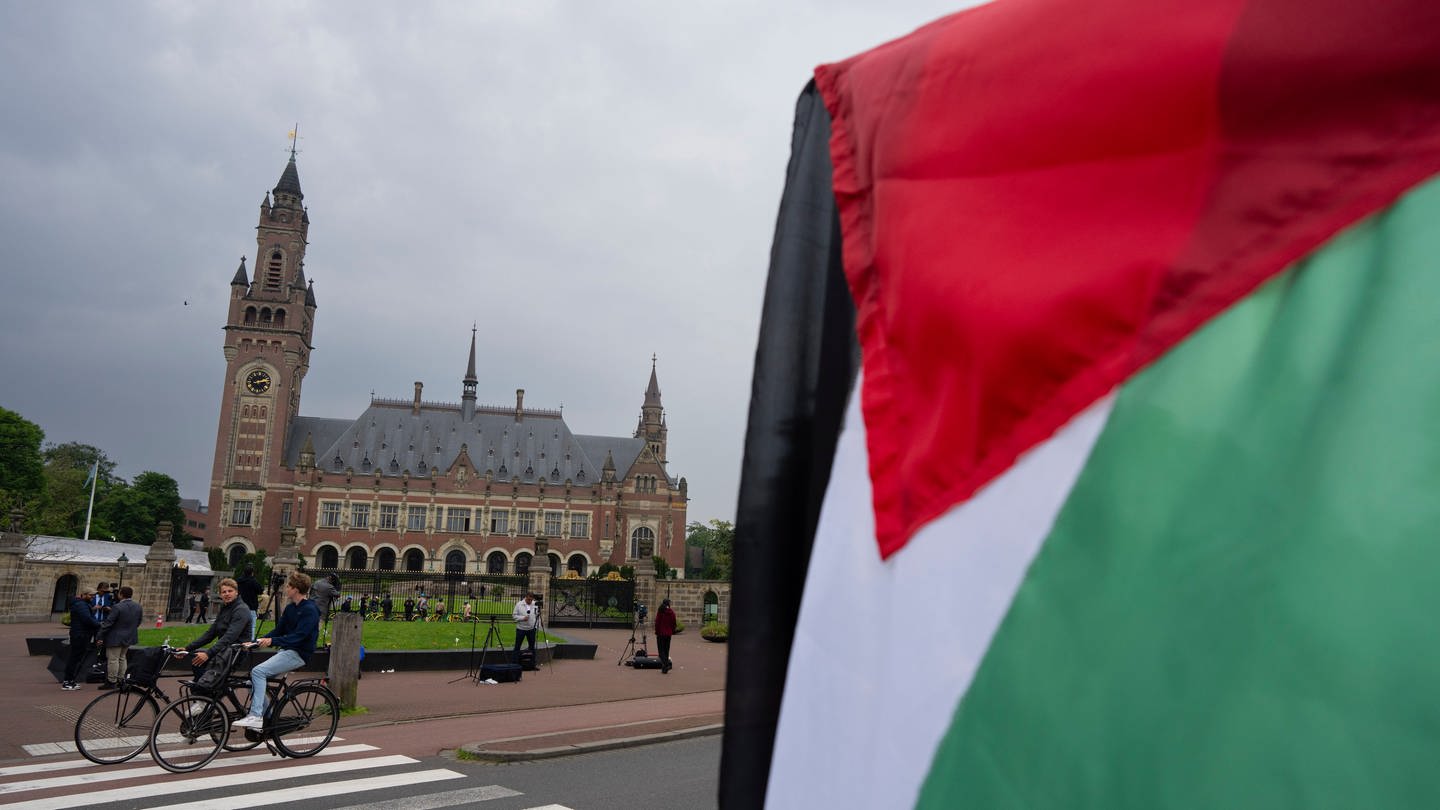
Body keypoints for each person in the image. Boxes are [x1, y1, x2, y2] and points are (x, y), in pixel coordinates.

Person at [231, 571, 320, 731]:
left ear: (296, 589)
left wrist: (273, 641)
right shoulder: (291, 608)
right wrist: (254, 642)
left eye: (289, 586)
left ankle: (256, 715)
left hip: (299, 653)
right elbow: (278, 631)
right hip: (287, 651)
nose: (286, 588)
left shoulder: (310, 610)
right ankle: (270, 719)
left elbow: (299, 637)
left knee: (258, 672)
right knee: (252, 680)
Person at [179, 578, 253, 677]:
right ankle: (205, 688)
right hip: (225, 650)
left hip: (235, 653)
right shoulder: (225, 608)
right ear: (220, 595)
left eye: (230, 591)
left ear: (236, 592)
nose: (227, 594)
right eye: (224, 592)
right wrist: (187, 648)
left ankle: (207, 690)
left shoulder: (241, 610)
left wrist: (208, 653)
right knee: (196, 661)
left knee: (201, 665)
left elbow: (230, 636)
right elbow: (211, 633)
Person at [96, 585, 142, 689]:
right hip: (129, 636)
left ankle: (111, 681)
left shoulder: (117, 607)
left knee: (113, 659)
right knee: (122, 658)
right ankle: (121, 679)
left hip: (115, 636)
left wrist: (100, 636)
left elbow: (108, 623)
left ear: (121, 594)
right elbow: (138, 621)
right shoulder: (138, 606)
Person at [62, 588, 101, 690]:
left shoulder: (82, 604)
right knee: (74, 658)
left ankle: (70, 680)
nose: (92, 598)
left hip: (81, 634)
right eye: (90, 596)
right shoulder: (81, 605)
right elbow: (87, 619)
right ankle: (67, 681)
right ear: (83, 595)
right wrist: (99, 624)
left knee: (76, 658)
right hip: (80, 635)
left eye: (93, 596)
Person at [310, 573, 338, 645]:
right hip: (320, 612)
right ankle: (311, 645)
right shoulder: (329, 587)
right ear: (332, 579)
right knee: (316, 630)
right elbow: (338, 594)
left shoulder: (316, 582)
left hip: (310, 608)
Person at [236, 566, 263, 640]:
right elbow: (260, 590)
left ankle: (238, 639)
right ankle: (250, 640)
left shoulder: (239, 581)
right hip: (251, 606)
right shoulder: (253, 581)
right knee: (251, 625)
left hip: (240, 605)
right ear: (252, 573)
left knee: (239, 624)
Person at [512, 592, 538, 662]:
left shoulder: (535, 604)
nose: (530, 601)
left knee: (532, 647)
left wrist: (536, 626)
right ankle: (515, 663)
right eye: (529, 599)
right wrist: (522, 618)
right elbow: (514, 616)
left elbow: (537, 615)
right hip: (521, 629)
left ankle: (532, 664)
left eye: (531, 600)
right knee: (517, 646)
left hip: (531, 629)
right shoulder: (519, 604)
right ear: (526, 597)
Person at [654, 599, 677, 674]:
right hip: (668, 634)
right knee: (666, 650)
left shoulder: (660, 611)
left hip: (661, 634)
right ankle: (665, 668)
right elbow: (674, 623)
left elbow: (657, 622)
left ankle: (665, 665)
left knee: (661, 652)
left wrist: (657, 631)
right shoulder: (672, 612)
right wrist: (672, 631)